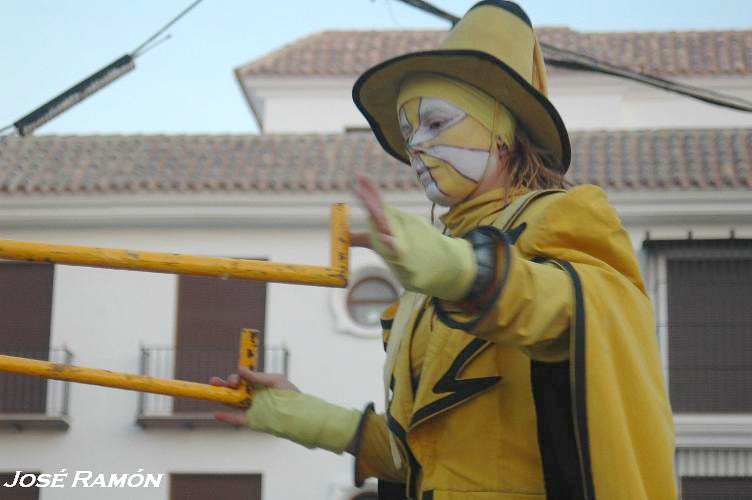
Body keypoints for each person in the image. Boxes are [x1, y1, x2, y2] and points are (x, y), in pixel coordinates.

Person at [212, 1, 677, 498]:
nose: (416, 148)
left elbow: (574, 315)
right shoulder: (425, 280)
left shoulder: (564, 214)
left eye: (435, 123)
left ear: (503, 135)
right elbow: (416, 457)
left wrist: (461, 272)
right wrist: (302, 415)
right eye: (410, 133)